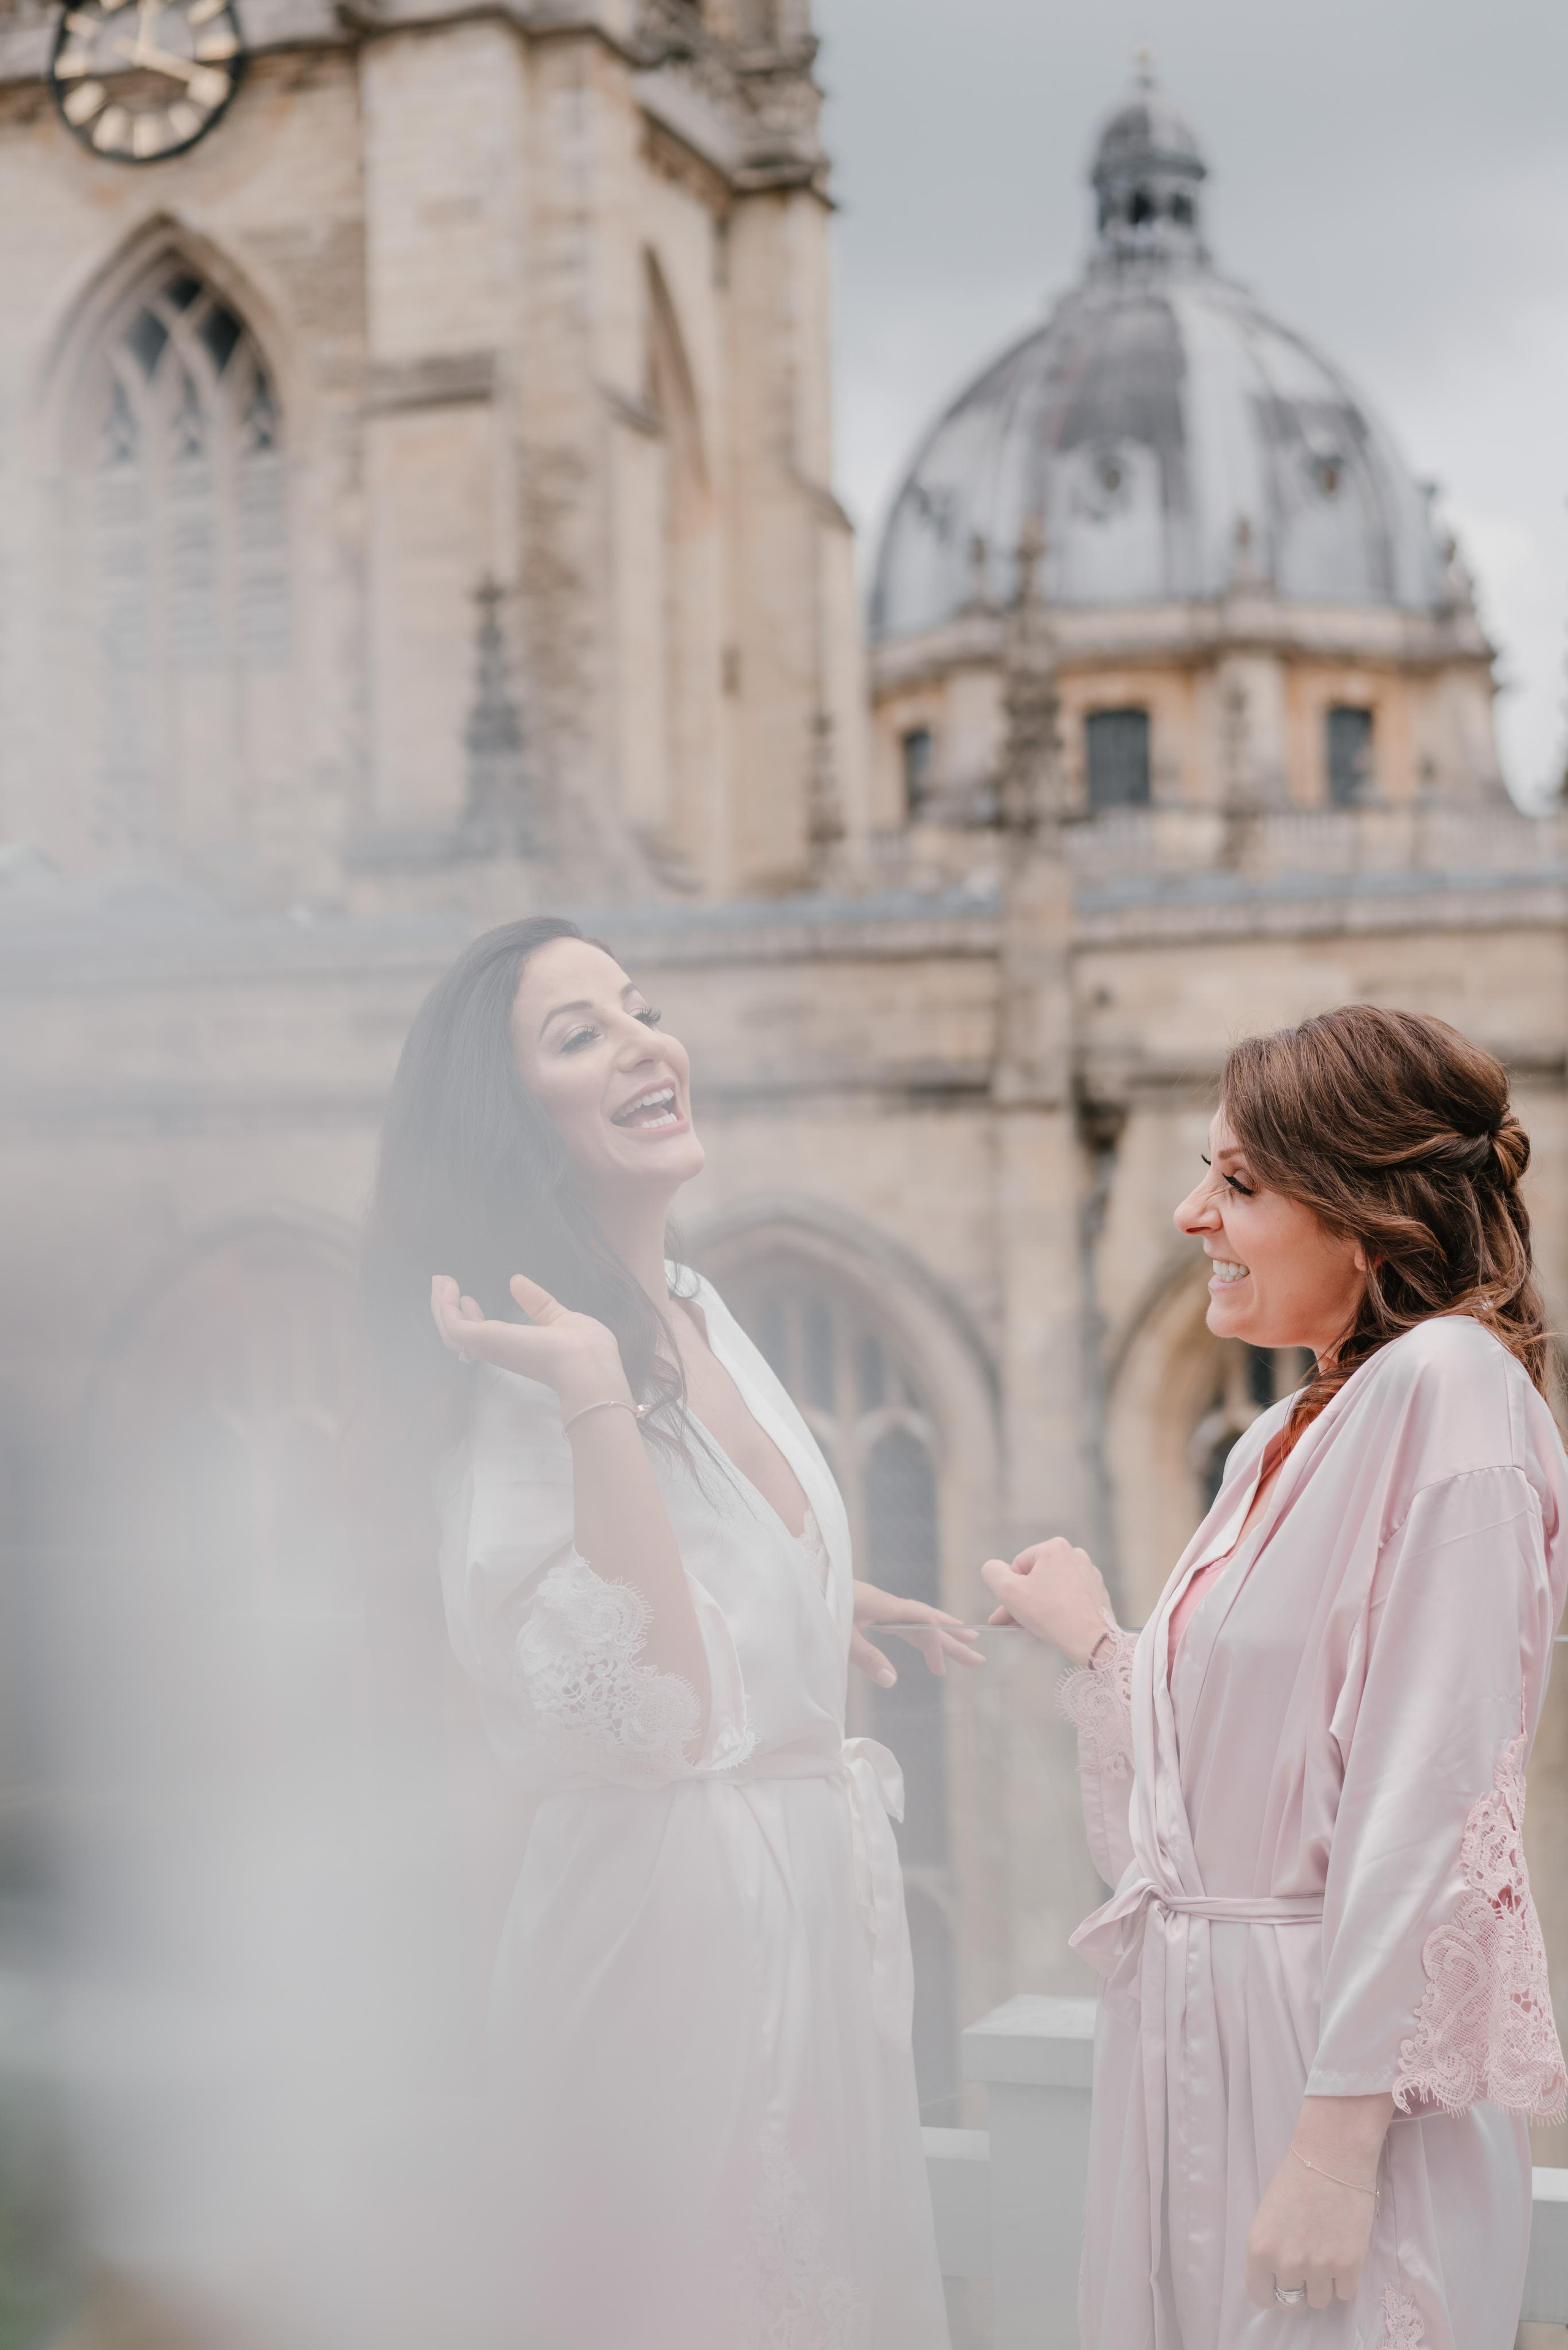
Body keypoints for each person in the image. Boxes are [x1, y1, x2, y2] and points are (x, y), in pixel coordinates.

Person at [364, 915, 967, 2350]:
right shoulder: (524, 1378)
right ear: (509, 1119)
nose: (643, 1041)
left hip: (812, 1924)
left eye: (638, 1007)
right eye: (579, 1034)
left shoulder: (692, 1302)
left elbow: (712, 1584)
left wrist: (811, 1601)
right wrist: (582, 1387)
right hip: (666, 1956)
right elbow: (653, 1709)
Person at [982, 1004, 1568, 2350]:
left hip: (1331, 2075)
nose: (1190, 1213)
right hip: (1195, 2051)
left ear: (1367, 1206)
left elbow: (1424, 1800)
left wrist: (1333, 2148)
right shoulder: (1272, 1438)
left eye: (1237, 1183)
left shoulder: (1451, 1392)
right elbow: (1230, 1779)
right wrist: (1097, 1647)